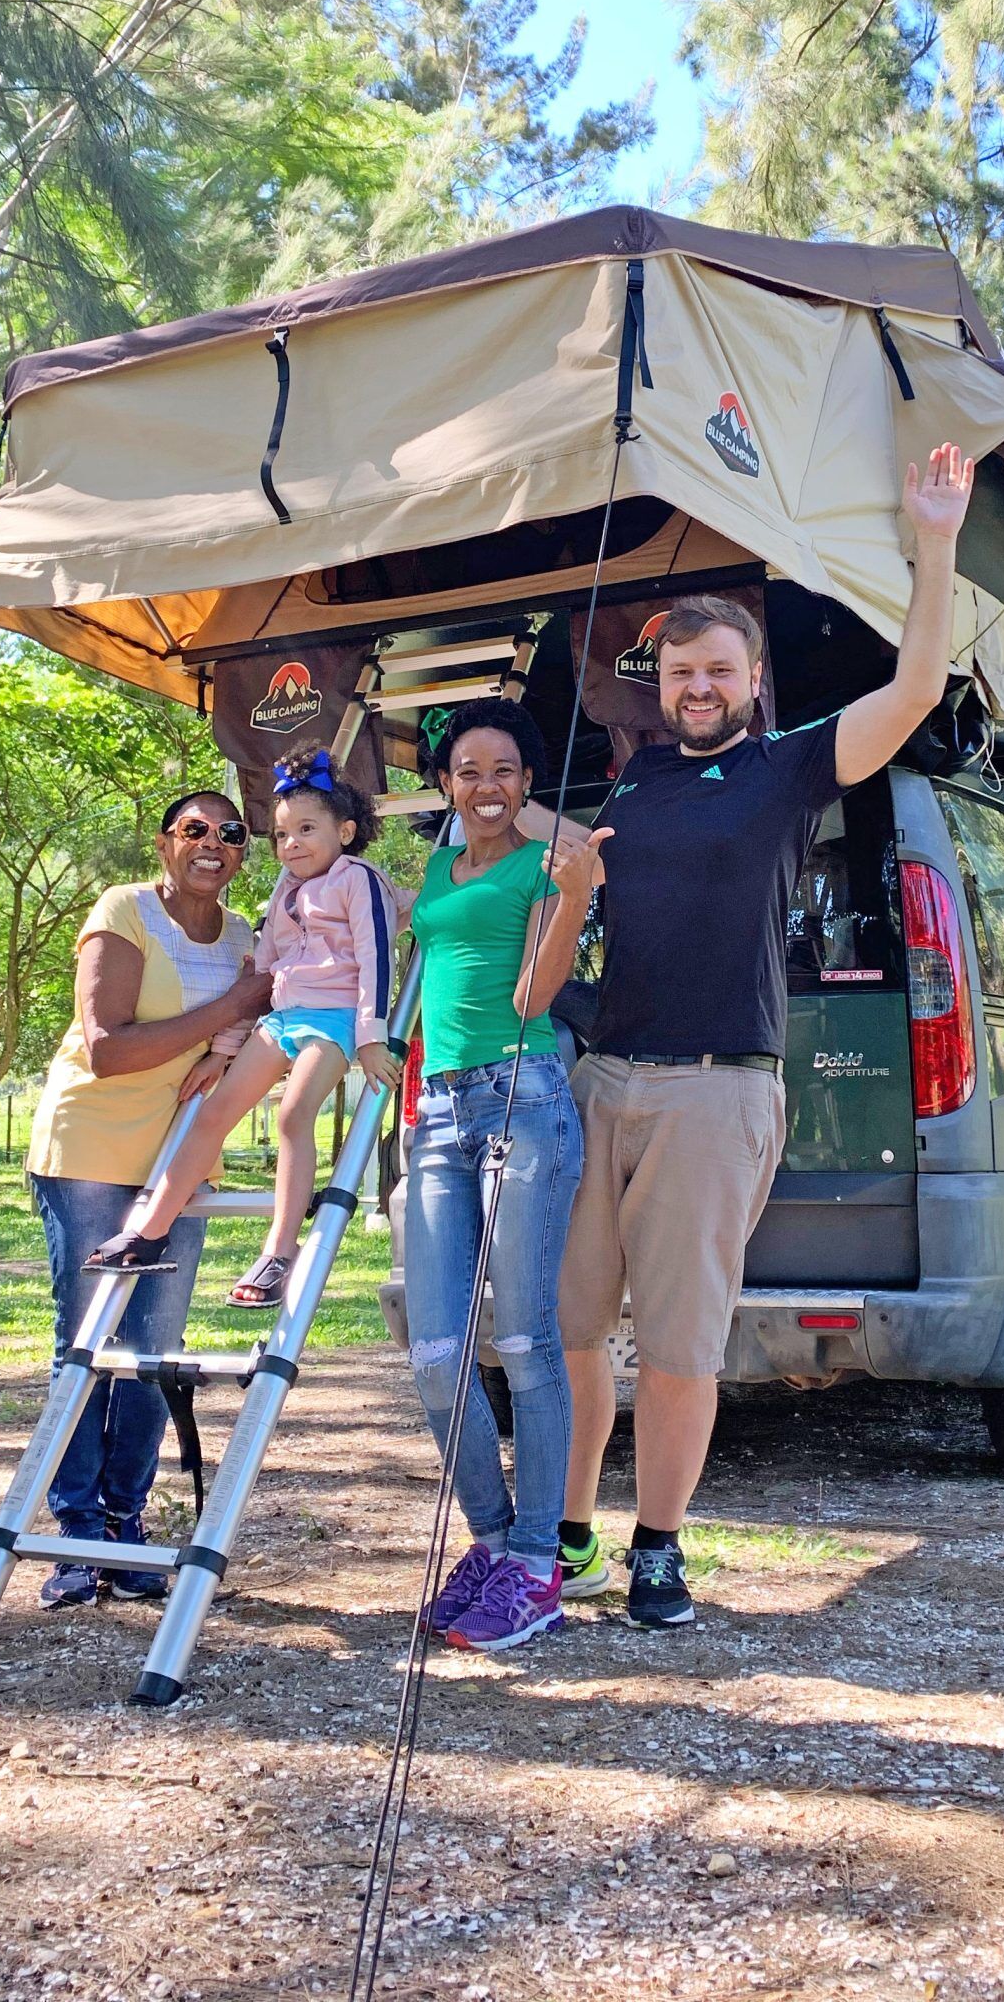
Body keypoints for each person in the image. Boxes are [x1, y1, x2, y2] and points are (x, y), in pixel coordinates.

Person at [557, 442, 977, 1628]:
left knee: (681, 1339)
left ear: (751, 679)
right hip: (603, 1082)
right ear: (662, 677)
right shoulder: (633, 784)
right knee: (577, 1324)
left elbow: (914, 689)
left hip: (715, 1090)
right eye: (681, 668)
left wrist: (933, 538)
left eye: (719, 669)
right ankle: (574, 1531)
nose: (698, 684)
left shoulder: (790, 769)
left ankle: (661, 1546)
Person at [26, 789, 270, 1609]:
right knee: (89, 1344)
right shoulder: (123, 910)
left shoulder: (246, 937)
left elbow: (255, 1043)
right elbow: (105, 1048)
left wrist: (228, 1048)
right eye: (194, 829)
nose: (213, 843)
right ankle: (74, 1532)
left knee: (154, 1351)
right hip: (92, 1149)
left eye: (231, 833)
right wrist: (226, 1010)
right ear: (164, 843)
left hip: (178, 1164)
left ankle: (125, 1527)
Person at [406, 697, 599, 1652]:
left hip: (522, 1094)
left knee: (524, 1339)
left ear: (528, 786)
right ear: (446, 785)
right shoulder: (436, 868)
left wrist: (574, 895)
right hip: (437, 1110)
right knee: (438, 1355)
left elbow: (532, 996)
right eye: (470, 772)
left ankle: (535, 1562)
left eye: (506, 771)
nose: (488, 787)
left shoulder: (545, 866)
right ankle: (488, 1540)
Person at [83, 753, 405, 1300]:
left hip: (334, 1022)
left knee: (291, 1115)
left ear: (345, 831)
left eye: (306, 830)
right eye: (281, 836)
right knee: (213, 1114)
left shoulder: (359, 881)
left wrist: (372, 1037)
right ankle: (151, 1230)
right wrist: (222, 1051)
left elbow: (378, 957)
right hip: (281, 1018)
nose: (292, 845)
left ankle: (279, 1252)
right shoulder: (286, 890)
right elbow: (260, 970)